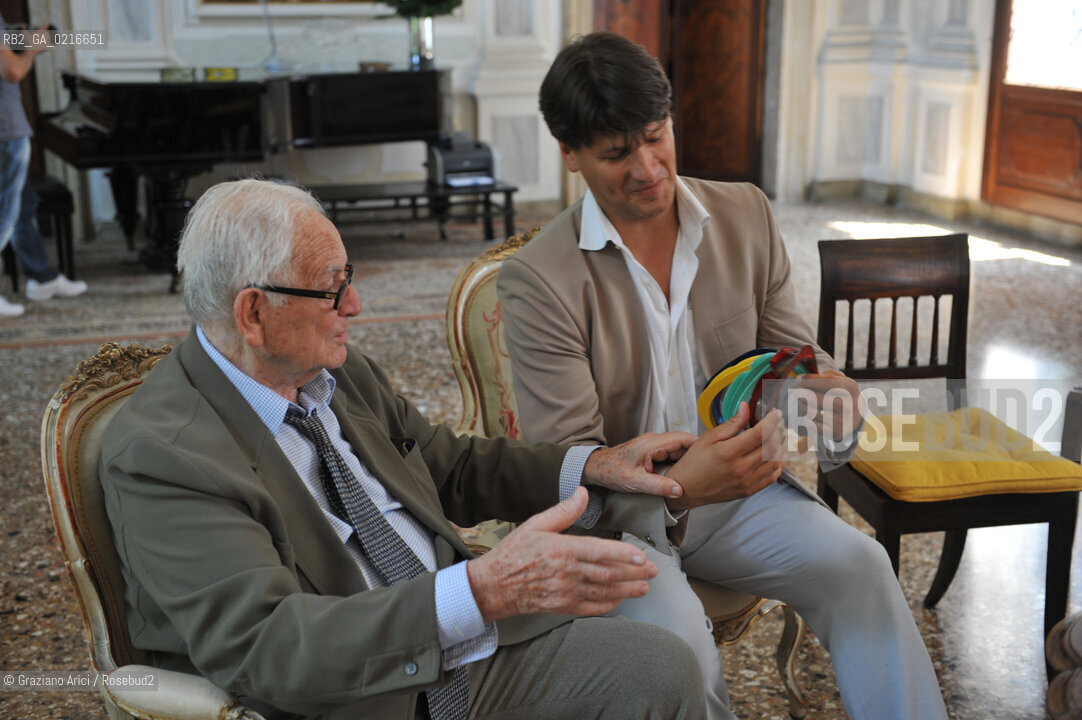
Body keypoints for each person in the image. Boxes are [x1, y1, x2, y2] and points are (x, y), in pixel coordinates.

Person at [99, 177, 718, 720]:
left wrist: (594, 463)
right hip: (360, 692)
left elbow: (444, 463)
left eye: (350, 280)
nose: (355, 306)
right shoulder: (167, 454)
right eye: (331, 289)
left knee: (661, 665)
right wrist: (480, 590)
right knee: (655, 671)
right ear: (254, 314)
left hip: (456, 636)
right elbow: (271, 647)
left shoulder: (333, 372)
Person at [497, 32, 949, 720]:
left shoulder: (745, 215)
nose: (649, 168)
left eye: (656, 136)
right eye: (617, 153)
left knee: (863, 567)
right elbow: (571, 460)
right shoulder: (539, 278)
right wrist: (678, 493)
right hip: (621, 525)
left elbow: (793, 355)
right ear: (570, 154)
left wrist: (828, 393)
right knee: (679, 655)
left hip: (739, 499)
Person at [0, 14, 86, 317]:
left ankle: (42, 278)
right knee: (5, 213)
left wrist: (17, 42)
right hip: (5, 129)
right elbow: (11, 70)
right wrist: (35, 48)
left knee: (22, 205)